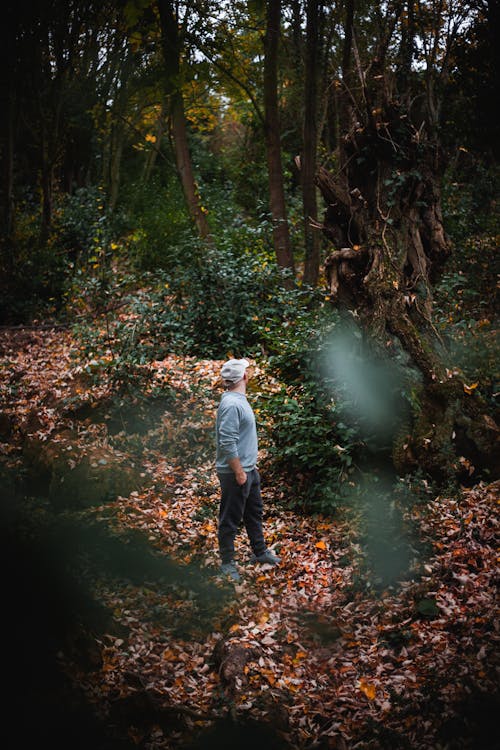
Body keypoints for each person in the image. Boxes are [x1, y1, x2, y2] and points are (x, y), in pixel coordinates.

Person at [215, 357, 281, 581]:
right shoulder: (232, 404)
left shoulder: (237, 399)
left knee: (254, 512)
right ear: (243, 376)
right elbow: (227, 441)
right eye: (247, 371)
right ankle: (227, 563)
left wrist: (249, 467)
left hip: (248, 469)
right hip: (236, 473)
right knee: (230, 518)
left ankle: (260, 552)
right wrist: (239, 471)